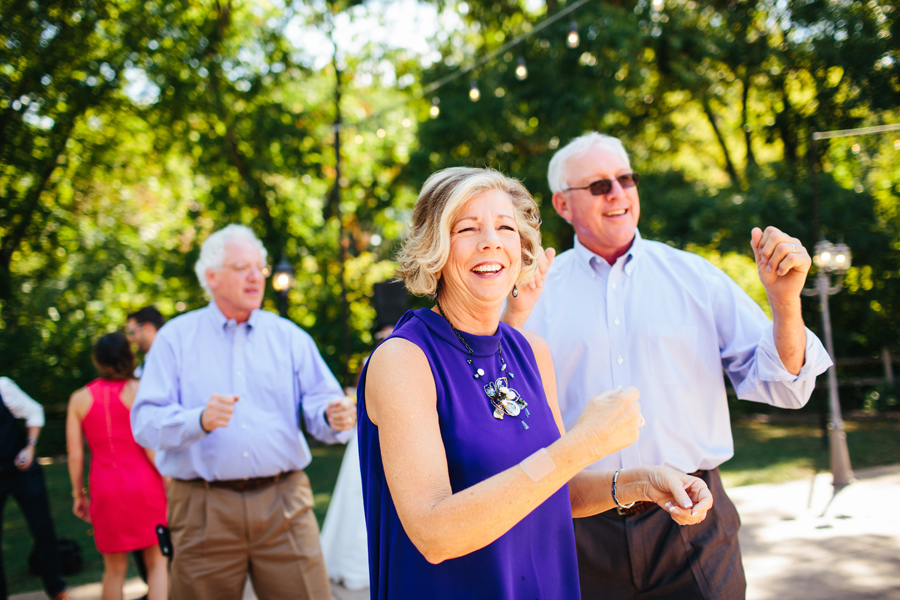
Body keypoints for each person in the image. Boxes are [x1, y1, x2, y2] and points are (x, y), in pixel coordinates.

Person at [503, 132, 834, 599]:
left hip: (694, 524)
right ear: (563, 204)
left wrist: (784, 304)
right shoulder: (534, 295)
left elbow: (784, 388)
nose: (618, 193)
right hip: (578, 530)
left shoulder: (695, 277)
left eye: (626, 179)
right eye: (599, 186)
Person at [357, 167, 714, 600]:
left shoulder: (530, 350)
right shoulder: (404, 359)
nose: (491, 241)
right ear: (435, 249)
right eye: (468, 228)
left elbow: (552, 486)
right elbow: (433, 534)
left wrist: (642, 482)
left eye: (505, 227)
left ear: (522, 247)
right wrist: (584, 443)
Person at [131, 224, 357, 600]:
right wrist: (198, 420)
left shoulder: (289, 337)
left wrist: (333, 417)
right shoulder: (174, 338)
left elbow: (321, 403)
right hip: (203, 508)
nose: (255, 276)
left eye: (260, 268)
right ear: (212, 276)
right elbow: (145, 423)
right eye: (241, 267)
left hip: (285, 503)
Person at [66, 332, 168, 600]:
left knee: (114, 570)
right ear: (129, 356)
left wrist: (79, 494)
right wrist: (170, 482)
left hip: (104, 489)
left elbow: (75, 455)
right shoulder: (139, 390)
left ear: (98, 360)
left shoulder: (79, 398)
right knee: (158, 563)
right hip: (145, 486)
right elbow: (150, 448)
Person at [0, 377, 71, 600]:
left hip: (22, 469)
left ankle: (56, 588)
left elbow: (34, 411)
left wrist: (30, 447)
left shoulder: (2, 387)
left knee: (42, 528)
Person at [126, 306, 164, 378]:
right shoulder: (144, 366)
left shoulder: (168, 358)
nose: (130, 339)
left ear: (147, 327)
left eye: (132, 332)